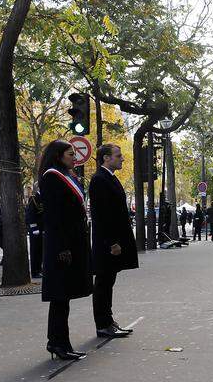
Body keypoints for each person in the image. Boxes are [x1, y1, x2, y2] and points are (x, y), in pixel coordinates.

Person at [39, 140, 93, 360]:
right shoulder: (52, 177)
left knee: (64, 297)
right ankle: (58, 343)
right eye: (70, 154)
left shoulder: (68, 176)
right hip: (61, 246)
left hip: (72, 243)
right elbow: (53, 215)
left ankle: (61, 342)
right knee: (60, 296)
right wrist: (62, 247)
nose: (74, 157)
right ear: (58, 155)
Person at [89, 144, 138, 340]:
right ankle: (103, 324)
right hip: (107, 244)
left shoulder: (108, 177)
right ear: (106, 158)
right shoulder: (100, 179)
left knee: (108, 282)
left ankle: (108, 321)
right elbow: (102, 215)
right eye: (118, 156)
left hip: (112, 241)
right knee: (103, 283)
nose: (122, 159)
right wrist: (112, 243)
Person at [26, 183, 44, 278]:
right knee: (35, 251)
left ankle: (39, 269)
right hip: (35, 230)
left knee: (41, 250)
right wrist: (34, 228)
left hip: (42, 229)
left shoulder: (44, 197)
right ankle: (35, 271)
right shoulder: (33, 199)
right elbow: (30, 215)